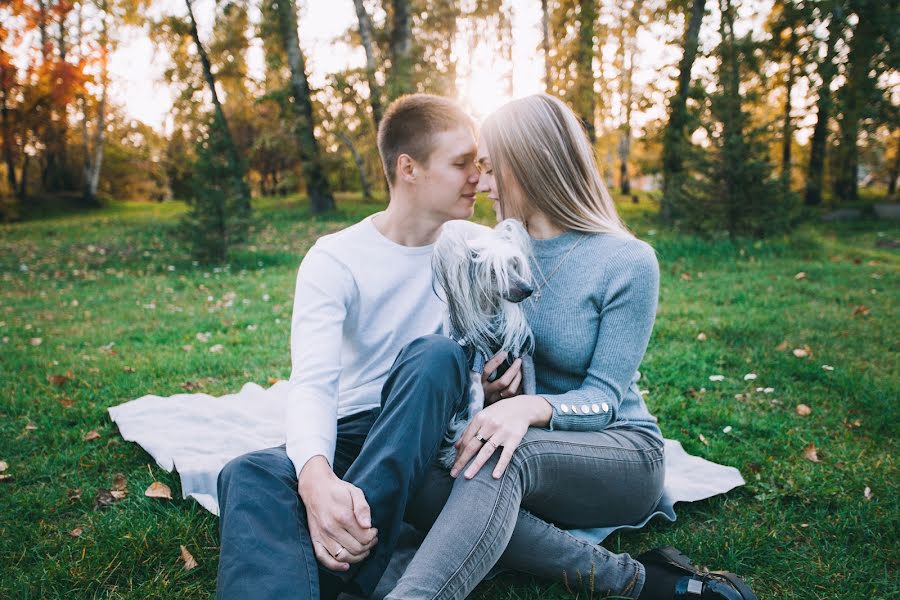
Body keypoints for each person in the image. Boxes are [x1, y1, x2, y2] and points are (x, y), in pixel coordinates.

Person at [214, 93, 655, 600]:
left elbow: (494, 346)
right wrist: (315, 477)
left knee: (435, 357)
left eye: (485, 166)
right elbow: (313, 383)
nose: (479, 179)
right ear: (409, 169)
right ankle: (323, 564)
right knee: (247, 472)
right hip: (363, 429)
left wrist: (500, 392)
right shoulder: (336, 257)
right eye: (463, 164)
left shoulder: (482, 252)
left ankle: (354, 553)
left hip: (435, 424)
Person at [385, 94, 758, 600]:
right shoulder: (499, 253)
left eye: (493, 170)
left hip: (620, 452)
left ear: (530, 166)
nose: (484, 185)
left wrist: (528, 408)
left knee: (499, 455)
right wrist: (494, 390)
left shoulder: (626, 260)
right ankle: (634, 581)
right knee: (427, 475)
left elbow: (604, 396)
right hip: (538, 452)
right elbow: (487, 362)